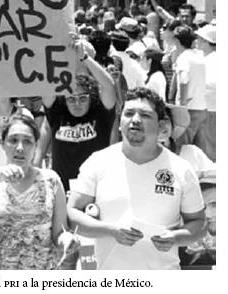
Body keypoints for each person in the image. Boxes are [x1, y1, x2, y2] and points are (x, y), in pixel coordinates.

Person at [67, 87, 206, 270]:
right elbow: (72, 215)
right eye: (129, 113)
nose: (135, 120)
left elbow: (199, 223)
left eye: (145, 115)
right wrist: (111, 231)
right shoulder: (98, 162)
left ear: (161, 126)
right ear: (119, 123)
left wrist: (176, 238)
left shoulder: (182, 169)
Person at [0, 114, 79, 270]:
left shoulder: (51, 180)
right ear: (2, 143)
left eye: (27, 141)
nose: (20, 148)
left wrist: (67, 239)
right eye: (13, 140)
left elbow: (59, 232)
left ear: (36, 145)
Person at [42, 38, 117, 192]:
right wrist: (63, 58)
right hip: (61, 188)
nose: (77, 103)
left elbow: (109, 85)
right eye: (71, 99)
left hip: (95, 188)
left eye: (82, 99)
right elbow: (47, 85)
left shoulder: (100, 109)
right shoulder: (58, 109)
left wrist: (85, 58)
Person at [170, 25, 206, 149]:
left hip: (188, 109)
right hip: (202, 107)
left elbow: (184, 79)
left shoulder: (183, 57)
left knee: (182, 147)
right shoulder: (200, 55)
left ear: (176, 40)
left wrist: (182, 104)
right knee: (198, 148)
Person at [194, 24, 216, 161]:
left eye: (199, 38)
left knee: (211, 148)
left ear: (205, 41)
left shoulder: (211, 60)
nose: (196, 41)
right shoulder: (206, 59)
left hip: (210, 109)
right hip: (207, 108)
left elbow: (211, 84)